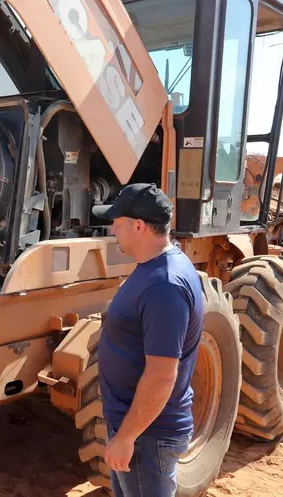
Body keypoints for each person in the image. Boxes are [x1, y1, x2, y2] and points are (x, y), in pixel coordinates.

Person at [92, 183, 203, 497]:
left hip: (147, 437)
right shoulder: (157, 269)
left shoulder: (163, 287)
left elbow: (161, 376)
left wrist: (126, 438)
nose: (112, 228)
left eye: (117, 220)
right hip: (139, 429)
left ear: (138, 226)